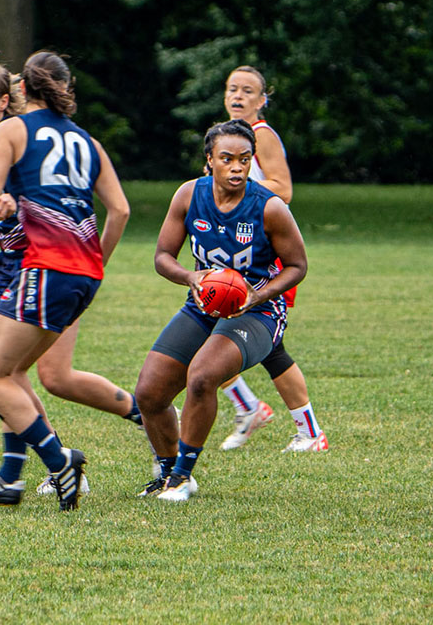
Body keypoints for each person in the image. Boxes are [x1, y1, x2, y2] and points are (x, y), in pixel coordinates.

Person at [0, 44, 142, 497]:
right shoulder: (89, 141)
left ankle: (59, 461)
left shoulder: (13, 131)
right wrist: (96, 261)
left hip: (44, 266)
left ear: (20, 90)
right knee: (14, 371)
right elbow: (119, 210)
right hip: (83, 272)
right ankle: (9, 477)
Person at [136, 118, 307, 502]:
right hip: (204, 305)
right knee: (149, 393)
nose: (236, 167)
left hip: (258, 312)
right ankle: (167, 473)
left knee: (202, 376)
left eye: (244, 160)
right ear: (208, 161)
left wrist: (258, 295)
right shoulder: (188, 195)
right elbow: (163, 256)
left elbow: (298, 266)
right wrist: (190, 277)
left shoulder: (269, 207)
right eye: (227, 158)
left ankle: (182, 476)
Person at [215, 66, 327, 453]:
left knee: (267, 346)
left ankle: (307, 432)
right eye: (232, 89)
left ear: (262, 101)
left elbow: (284, 189)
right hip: (236, 252)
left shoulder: (261, 136)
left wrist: (235, 181)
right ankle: (251, 409)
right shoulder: (228, 138)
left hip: (267, 256)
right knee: (213, 329)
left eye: (248, 91)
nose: (238, 96)